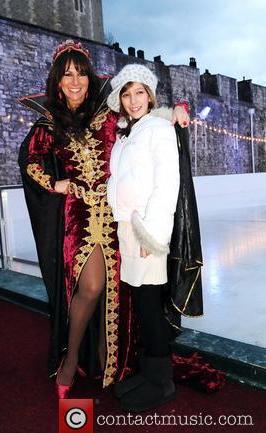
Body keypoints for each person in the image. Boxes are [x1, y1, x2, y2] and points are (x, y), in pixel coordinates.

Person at [18, 40, 190, 399]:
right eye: (67, 75)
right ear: (57, 81)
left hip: (118, 216)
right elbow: (30, 162)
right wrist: (55, 182)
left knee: (124, 292)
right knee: (92, 286)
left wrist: (175, 111)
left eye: (81, 73)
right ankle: (70, 359)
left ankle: (109, 361)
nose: (76, 81)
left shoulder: (107, 113)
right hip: (79, 217)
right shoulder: (48, 123)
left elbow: (141, 117)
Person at [106, 64, 203, 412]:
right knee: (143, 307)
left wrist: (151, 235)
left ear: (150, 95)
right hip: (128, 230)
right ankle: (149, 374)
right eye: (127, 94)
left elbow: (166, 187)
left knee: (150, 307)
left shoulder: (158, 130)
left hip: (147, 233)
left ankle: (162, 383)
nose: (133, 101)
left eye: (140, 93)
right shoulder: (126, 134)